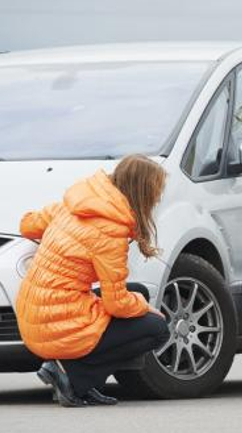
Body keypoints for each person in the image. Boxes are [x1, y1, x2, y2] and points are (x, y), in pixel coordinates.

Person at [15, 155, 171, 407]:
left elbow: (27, 225)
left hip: (33, 310)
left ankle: (74, 375)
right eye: (156, 192)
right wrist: (145, 306)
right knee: (157, 328)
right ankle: (73, 376)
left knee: (137, 291)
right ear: (142, 192)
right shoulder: (110, 230)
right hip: (55, 323)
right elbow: (116, 303)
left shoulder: (78, 203)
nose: (157, 199)